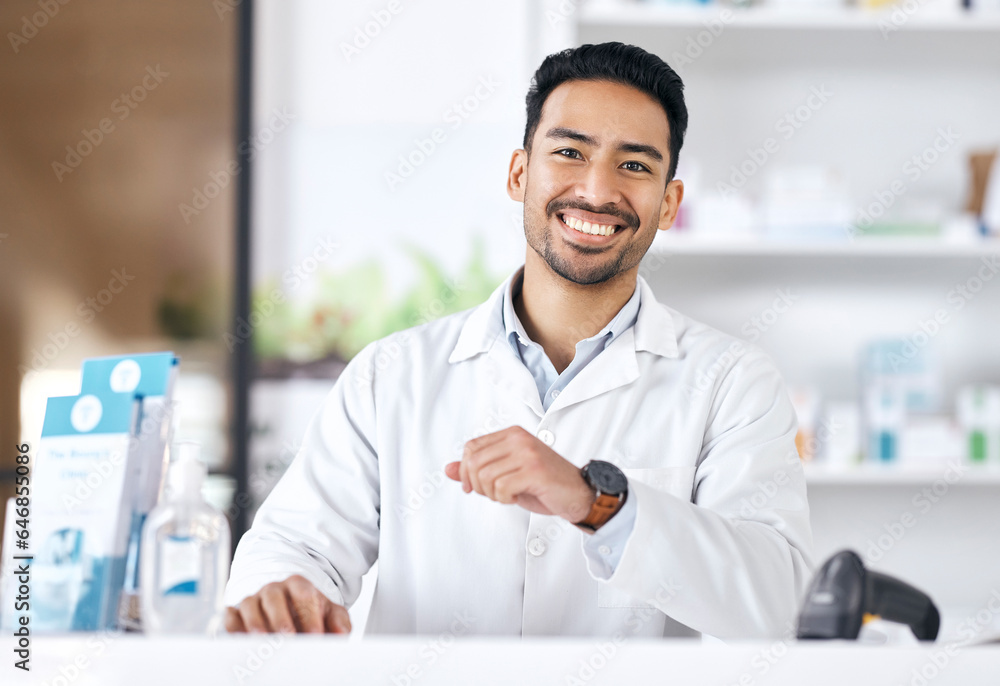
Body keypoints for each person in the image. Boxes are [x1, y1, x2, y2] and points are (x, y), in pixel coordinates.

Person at [224, 42, 814, 639]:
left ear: (668, 204)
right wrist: (284, 593)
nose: (597, 189)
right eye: (569, 152)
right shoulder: (391, 374)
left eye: (634, 165)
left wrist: (596, 504)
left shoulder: (731, 383)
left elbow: (776, 600)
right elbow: (294, 549)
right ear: (519, 173)